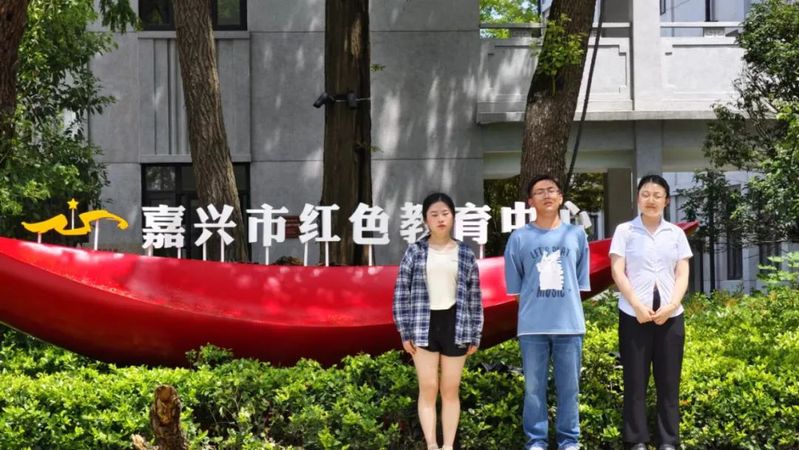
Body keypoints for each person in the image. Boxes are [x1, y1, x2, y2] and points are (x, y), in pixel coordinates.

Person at [504, 175, 591, 450]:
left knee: (570, 389)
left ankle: (569, 441)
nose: (547, 195)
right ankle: (536, 442)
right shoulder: (519, 238)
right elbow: (517, 289)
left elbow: (579, 283)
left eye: (552, 190)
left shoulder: (577, 235)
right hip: (532, 327)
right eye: (540, 192)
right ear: (531, 201)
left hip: (569, 326)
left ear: (561, 197)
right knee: (533, 389)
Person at [392, 192, 484, 450]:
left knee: (450, 389)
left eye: (445, 213)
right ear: (425, 220)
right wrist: (404, 332)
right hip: (423, 325)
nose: (440, 219)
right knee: (428, 387)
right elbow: (401, 292)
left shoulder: (465, 253)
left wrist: (476, 333)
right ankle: (432, 444)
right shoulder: (415, 251)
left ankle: (448, 446)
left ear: (453, 217)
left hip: (457, 324)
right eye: (434, 214)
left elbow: (475, 296)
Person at [609, 174, 692, 450]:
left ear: (666, 201)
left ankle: (668, 441)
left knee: (669, 383)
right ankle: (637, 441)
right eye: (645, 194)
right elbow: (618, 271)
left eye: (657, 195)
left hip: (671, 316)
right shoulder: (624, 231)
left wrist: (671, 305)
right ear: (637, 198)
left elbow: (682, 273)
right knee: (635, 381)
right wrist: (636, 304)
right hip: (633, 315)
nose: (651, 200)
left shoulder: (676, 234)